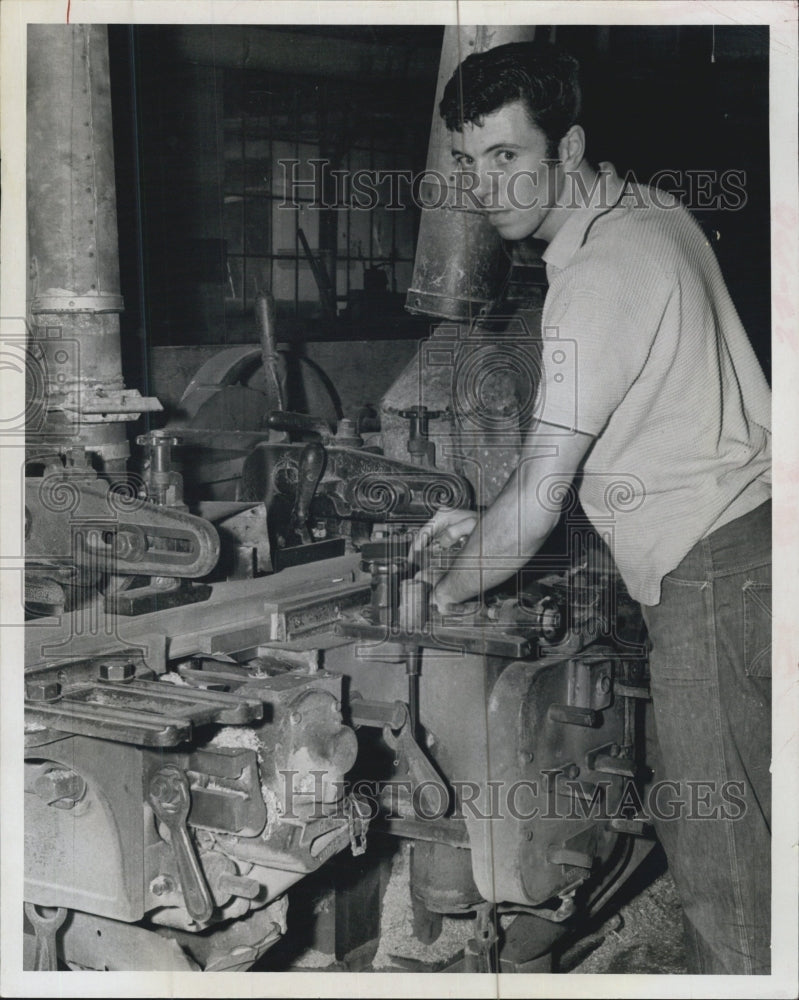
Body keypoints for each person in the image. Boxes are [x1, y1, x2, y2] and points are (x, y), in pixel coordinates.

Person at [411, 42, 772, 975]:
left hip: (713, 574)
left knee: (725, 859)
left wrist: (443, 600)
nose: (486, 186)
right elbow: (626, 431)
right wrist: (483, 521)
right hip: (756, 539)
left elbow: (537, 503)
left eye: (506, 158)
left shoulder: (594, 280)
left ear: (565, 149)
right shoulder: (652, 213)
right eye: (469, 161)